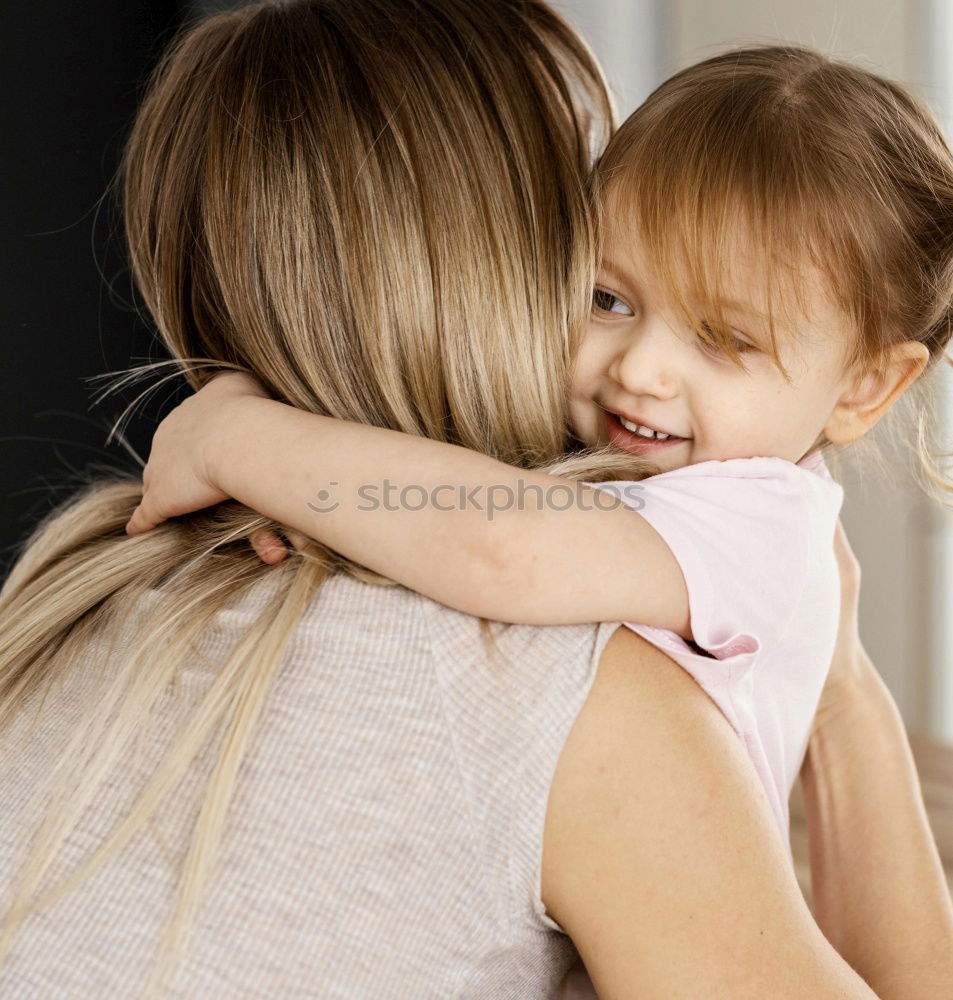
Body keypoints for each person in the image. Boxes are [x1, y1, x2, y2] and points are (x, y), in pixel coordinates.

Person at [0, 6, 949, 1000]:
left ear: (866, 388)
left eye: (725, 338)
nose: (641, 370)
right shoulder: (562, 679)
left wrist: (237, 433)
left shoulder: (73, 574)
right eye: (607, 295)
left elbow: (503, 544)